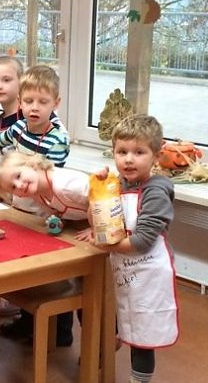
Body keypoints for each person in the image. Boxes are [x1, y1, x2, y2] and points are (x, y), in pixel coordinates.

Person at [77, 115, 178, 383]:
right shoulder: (115, 184)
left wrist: (105, 243)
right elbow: (98, 222)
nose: (129, 160)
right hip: (121, 268)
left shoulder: (156, 192)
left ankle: (139, 379)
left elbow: (143, 240)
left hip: (148, 273)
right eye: (122, 152)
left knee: (143, 334)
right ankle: (106, 346)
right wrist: (97, 193)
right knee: (115, 314)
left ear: (156, 155)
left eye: (139, 152)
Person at [0, 151, 90, 347]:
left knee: (91, 286)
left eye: (19, 176)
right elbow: (59, 210)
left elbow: (101, 197)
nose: (20, 186)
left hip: (107, 225)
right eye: (13, 187)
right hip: (79, 230)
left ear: (33, 164)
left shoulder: (65, 184)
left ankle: (105, 338)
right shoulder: (37, 193)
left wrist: (95, 227)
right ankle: (54, 332)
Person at [0, 64, 70, 186]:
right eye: (28, 101)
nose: (35, 108)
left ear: (56, 103)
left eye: (43, 102)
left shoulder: (58, 142)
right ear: (20, 102)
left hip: (40, 202)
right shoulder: (18, 127)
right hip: (17, 198)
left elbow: (49, 182)